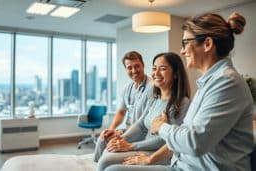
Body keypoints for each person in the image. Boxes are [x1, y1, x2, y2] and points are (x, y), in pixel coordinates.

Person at [105, 12, 254, 171]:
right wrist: (149, 159)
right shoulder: (209, 83)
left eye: (185, 43)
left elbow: (195, 142)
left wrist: (161, 127)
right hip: (181, 164)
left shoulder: (226, 83)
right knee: (110, 165)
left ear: (207, 44)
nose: (182, 51)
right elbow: (182, 134)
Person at [97, 52, 191, 171]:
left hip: (159, 152)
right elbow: (140, 125)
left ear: (176, 74)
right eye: (154, 68)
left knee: (107, 163)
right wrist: (122, 140)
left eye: (162, 69)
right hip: (145, 146)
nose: (156, 73)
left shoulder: (182, 103)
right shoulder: (155, 98)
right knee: (107, 153)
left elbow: (169, 141)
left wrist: (131, 146)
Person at [93, 51, 154, 162]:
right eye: (129, 68)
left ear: (143, 65)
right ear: (125, 69)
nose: (134, 71)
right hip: (127, 129)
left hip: (141, 133)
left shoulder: (152, 87)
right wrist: (111, 129)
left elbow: (143, 122)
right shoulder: (128, 87)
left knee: (110, 147)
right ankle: (96, 165)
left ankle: (104, 163)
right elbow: (121, 112)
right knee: (102, 138)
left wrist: (121, 136)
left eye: (137, 66)